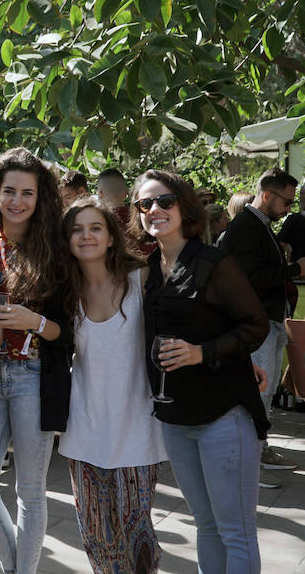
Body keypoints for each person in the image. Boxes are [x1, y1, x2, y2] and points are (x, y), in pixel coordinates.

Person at [132, 169, 269, 572]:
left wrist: (202, 353)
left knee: (236, 531)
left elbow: (255, 325)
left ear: (184, 206)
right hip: (174, 417)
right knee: (205, 526)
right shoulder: (148, 268)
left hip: (223, 413)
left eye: (164, 201)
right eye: (145, 203)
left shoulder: (212, 262)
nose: (155, 209)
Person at [0, 147, 73, 574]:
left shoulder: (55, 248)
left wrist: (34, 320)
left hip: (33, 374)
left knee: (30, 491)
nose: (17, 201)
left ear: (39, 197)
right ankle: (16, 568)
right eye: (9, 191)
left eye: (27, 193)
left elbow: (66, 333)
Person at [58, 198, 167, 573]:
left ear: (110, 237)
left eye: (95, 228)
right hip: (85, 431)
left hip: (137, 430)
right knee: (97, 537)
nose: (86, 236)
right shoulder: (65, 291)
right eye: (77, 230)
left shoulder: (142, 278)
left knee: (136, 535)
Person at [219, 168, 304, 478]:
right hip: (255, 322)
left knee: (263, 391)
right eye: (287, 202)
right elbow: (250, 278)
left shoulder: (259, 225)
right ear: (267, 195)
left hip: (269, 318)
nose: (289, 209)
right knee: (258, 388)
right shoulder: (245, 226)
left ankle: (258, 445)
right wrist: (293, 267)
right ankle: (252, 450)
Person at [278, 181, 305, 262]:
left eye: (302, 194)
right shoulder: (294, 220)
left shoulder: (294, 220)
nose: (301, 197)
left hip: (299, 270)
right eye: (301, 193)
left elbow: (277, 248)